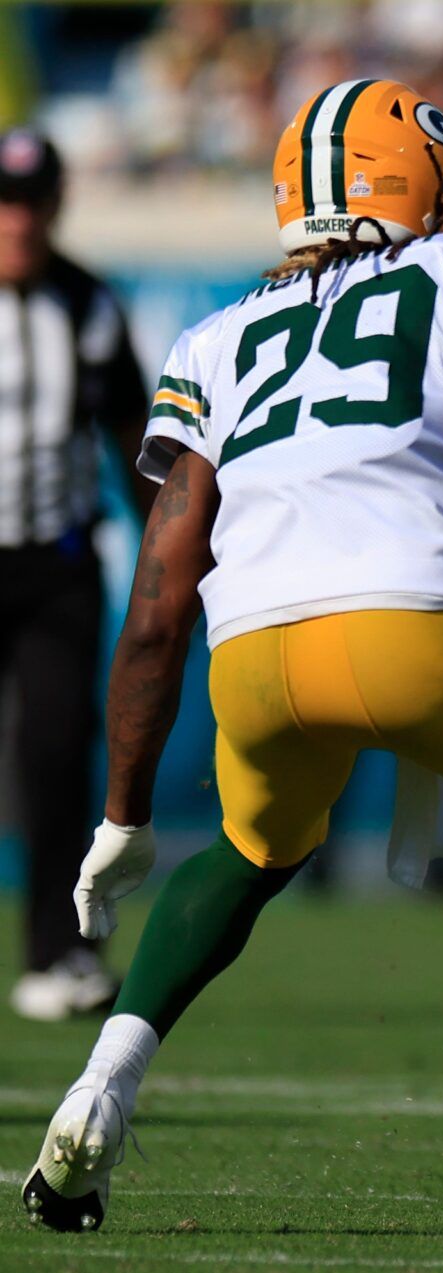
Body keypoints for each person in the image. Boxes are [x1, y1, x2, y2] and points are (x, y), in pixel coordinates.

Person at [20, 80, 443, 1235]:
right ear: (423, 176)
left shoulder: (214, 335)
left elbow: (156, 599)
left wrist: (124, 809)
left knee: (248, 845)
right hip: (410, 636)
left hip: (252, 666)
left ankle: (100, 1088)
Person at [0, 127, 153, 1022]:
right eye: (5, 202)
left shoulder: (87, 303)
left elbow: (135, 440)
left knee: (57, 756)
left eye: (31, 202)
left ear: (56, 207)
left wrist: (178, 561)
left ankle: (59, 954)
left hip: (55, 564)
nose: (16, 220)